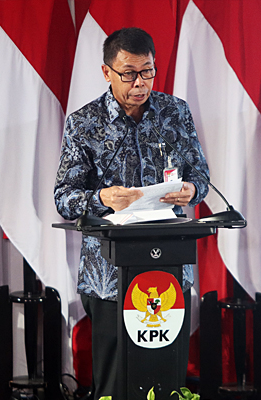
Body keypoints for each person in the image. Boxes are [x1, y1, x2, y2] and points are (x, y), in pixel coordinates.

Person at [54, 27, 209, 399]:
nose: (139, 83)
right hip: (109, 275)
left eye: (147, 71)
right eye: (128, 73)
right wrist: (104, 197)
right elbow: (64, 196)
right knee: (117, 380)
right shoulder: (84, 123)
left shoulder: (175, 112)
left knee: (167, 376)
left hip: (169, 267)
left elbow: (200, 174)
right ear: (107, 72)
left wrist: (192, 190)